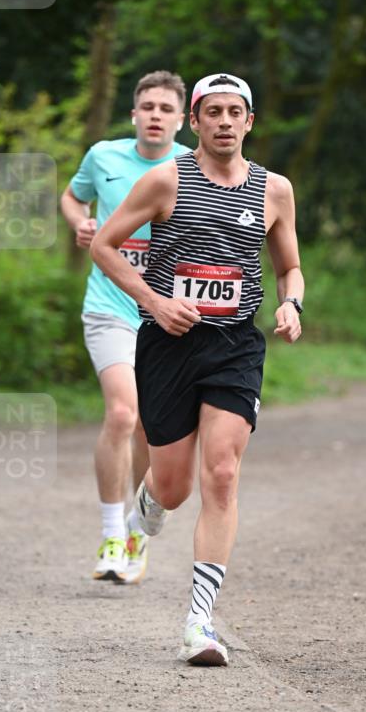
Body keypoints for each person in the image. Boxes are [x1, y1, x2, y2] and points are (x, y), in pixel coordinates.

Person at [90, 72, 304, 666]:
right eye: (214, 112)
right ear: (197, 120)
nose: (225, 122)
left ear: (250, 122)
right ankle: (149, 504)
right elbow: (104, 244)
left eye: (236, 112)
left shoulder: (274, 190)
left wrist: (291, 302)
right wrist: (155, 302)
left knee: (223, 474)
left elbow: (290, 267)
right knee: (175, 485)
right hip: (167, 345)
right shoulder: (166, 179)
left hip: (235, 344)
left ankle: (199, 623)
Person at [61, 71, 190, 584]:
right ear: (134, 113)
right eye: (148, 106)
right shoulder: (103, 157)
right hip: (110, 305)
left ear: (182, 120)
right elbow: (72, 196)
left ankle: (139, 531)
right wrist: (80, 221)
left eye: (166, 108)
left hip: (168, 315)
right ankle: (113, 535)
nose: (156, 114)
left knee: (148, 429)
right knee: (120, 413)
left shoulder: (192, 167)